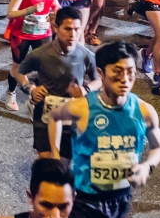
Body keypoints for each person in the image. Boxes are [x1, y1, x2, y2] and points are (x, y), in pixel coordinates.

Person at [50, 41, 160, 218]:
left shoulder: (145, 111)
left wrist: (147, 166)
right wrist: (55, 156)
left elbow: (159, 148)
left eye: (130, 72)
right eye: (117, 72)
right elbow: (55, 117)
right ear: (101, 73)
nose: (125, 78)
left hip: (120, 197)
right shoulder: (82, 107)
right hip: (84, 197)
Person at [10, 10, 96, 158]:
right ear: (56, 28)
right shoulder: (41, 53)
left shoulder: (86, 55)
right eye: (67, 29)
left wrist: (86, 89)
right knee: (46, 161)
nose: (73, 34)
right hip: (44, 115)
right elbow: (18, 71)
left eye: (77, 29)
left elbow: (99, 80)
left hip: (71, 117)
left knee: (65, 165)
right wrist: (30, 88)